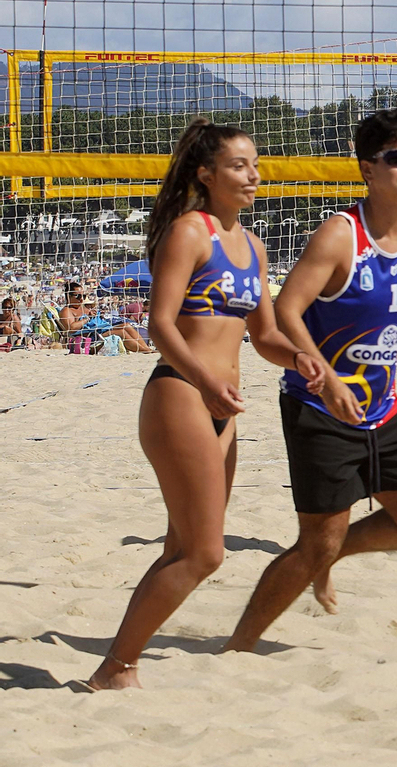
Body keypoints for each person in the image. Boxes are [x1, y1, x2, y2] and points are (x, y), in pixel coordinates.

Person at [89, 120, 325, 689]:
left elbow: (264, 335)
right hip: (180, 392)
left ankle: (122, 665)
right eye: (241, 166)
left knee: (183, 545)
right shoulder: (190, 233)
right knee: (206, 553)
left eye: (257, 165)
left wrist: (300, 359)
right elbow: (160, 324)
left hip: (223, 406)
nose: (255, 175)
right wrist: (206, 381)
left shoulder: (253, 246)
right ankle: (114, 668)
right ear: (207, 174)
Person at [225, 110, 397, 653]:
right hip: (319, 406)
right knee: (313, 545)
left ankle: (332, 555)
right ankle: (238, 646)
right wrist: (325, 377)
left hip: (381, 405)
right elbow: (286, 311)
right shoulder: (339, 234)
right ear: (368, 170)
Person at [60, 280, 154, 353]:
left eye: (83, 296)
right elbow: (70, 328)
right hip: (88, 338)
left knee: (127, 325)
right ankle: (143, 350)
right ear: (69, 296)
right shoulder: (66, 310)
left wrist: (97, 315)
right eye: (78, 296)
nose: (81, 299)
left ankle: (146, 348)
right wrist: (87, 318)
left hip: (98, 331)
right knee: (121, 332)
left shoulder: (82, 307)